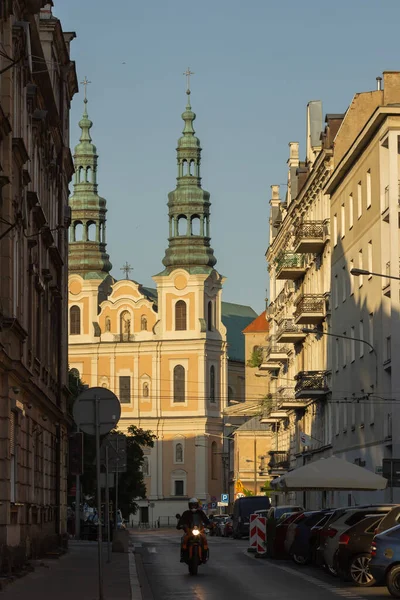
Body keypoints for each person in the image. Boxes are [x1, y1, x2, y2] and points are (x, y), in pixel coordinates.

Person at [177, 498, 210, 562]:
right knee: (184, 539)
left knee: (204, 538)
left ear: (197, 505)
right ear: (189, 506)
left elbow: (206, 520)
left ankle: (205, 555)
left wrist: (209, 525)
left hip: (199, 530)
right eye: (192, 505)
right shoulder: (186, 513)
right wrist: (180, 525)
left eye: (195, 505)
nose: (193, 506)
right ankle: (183, 556)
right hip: (189, 531)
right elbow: (181, 521)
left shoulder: (200, 513)